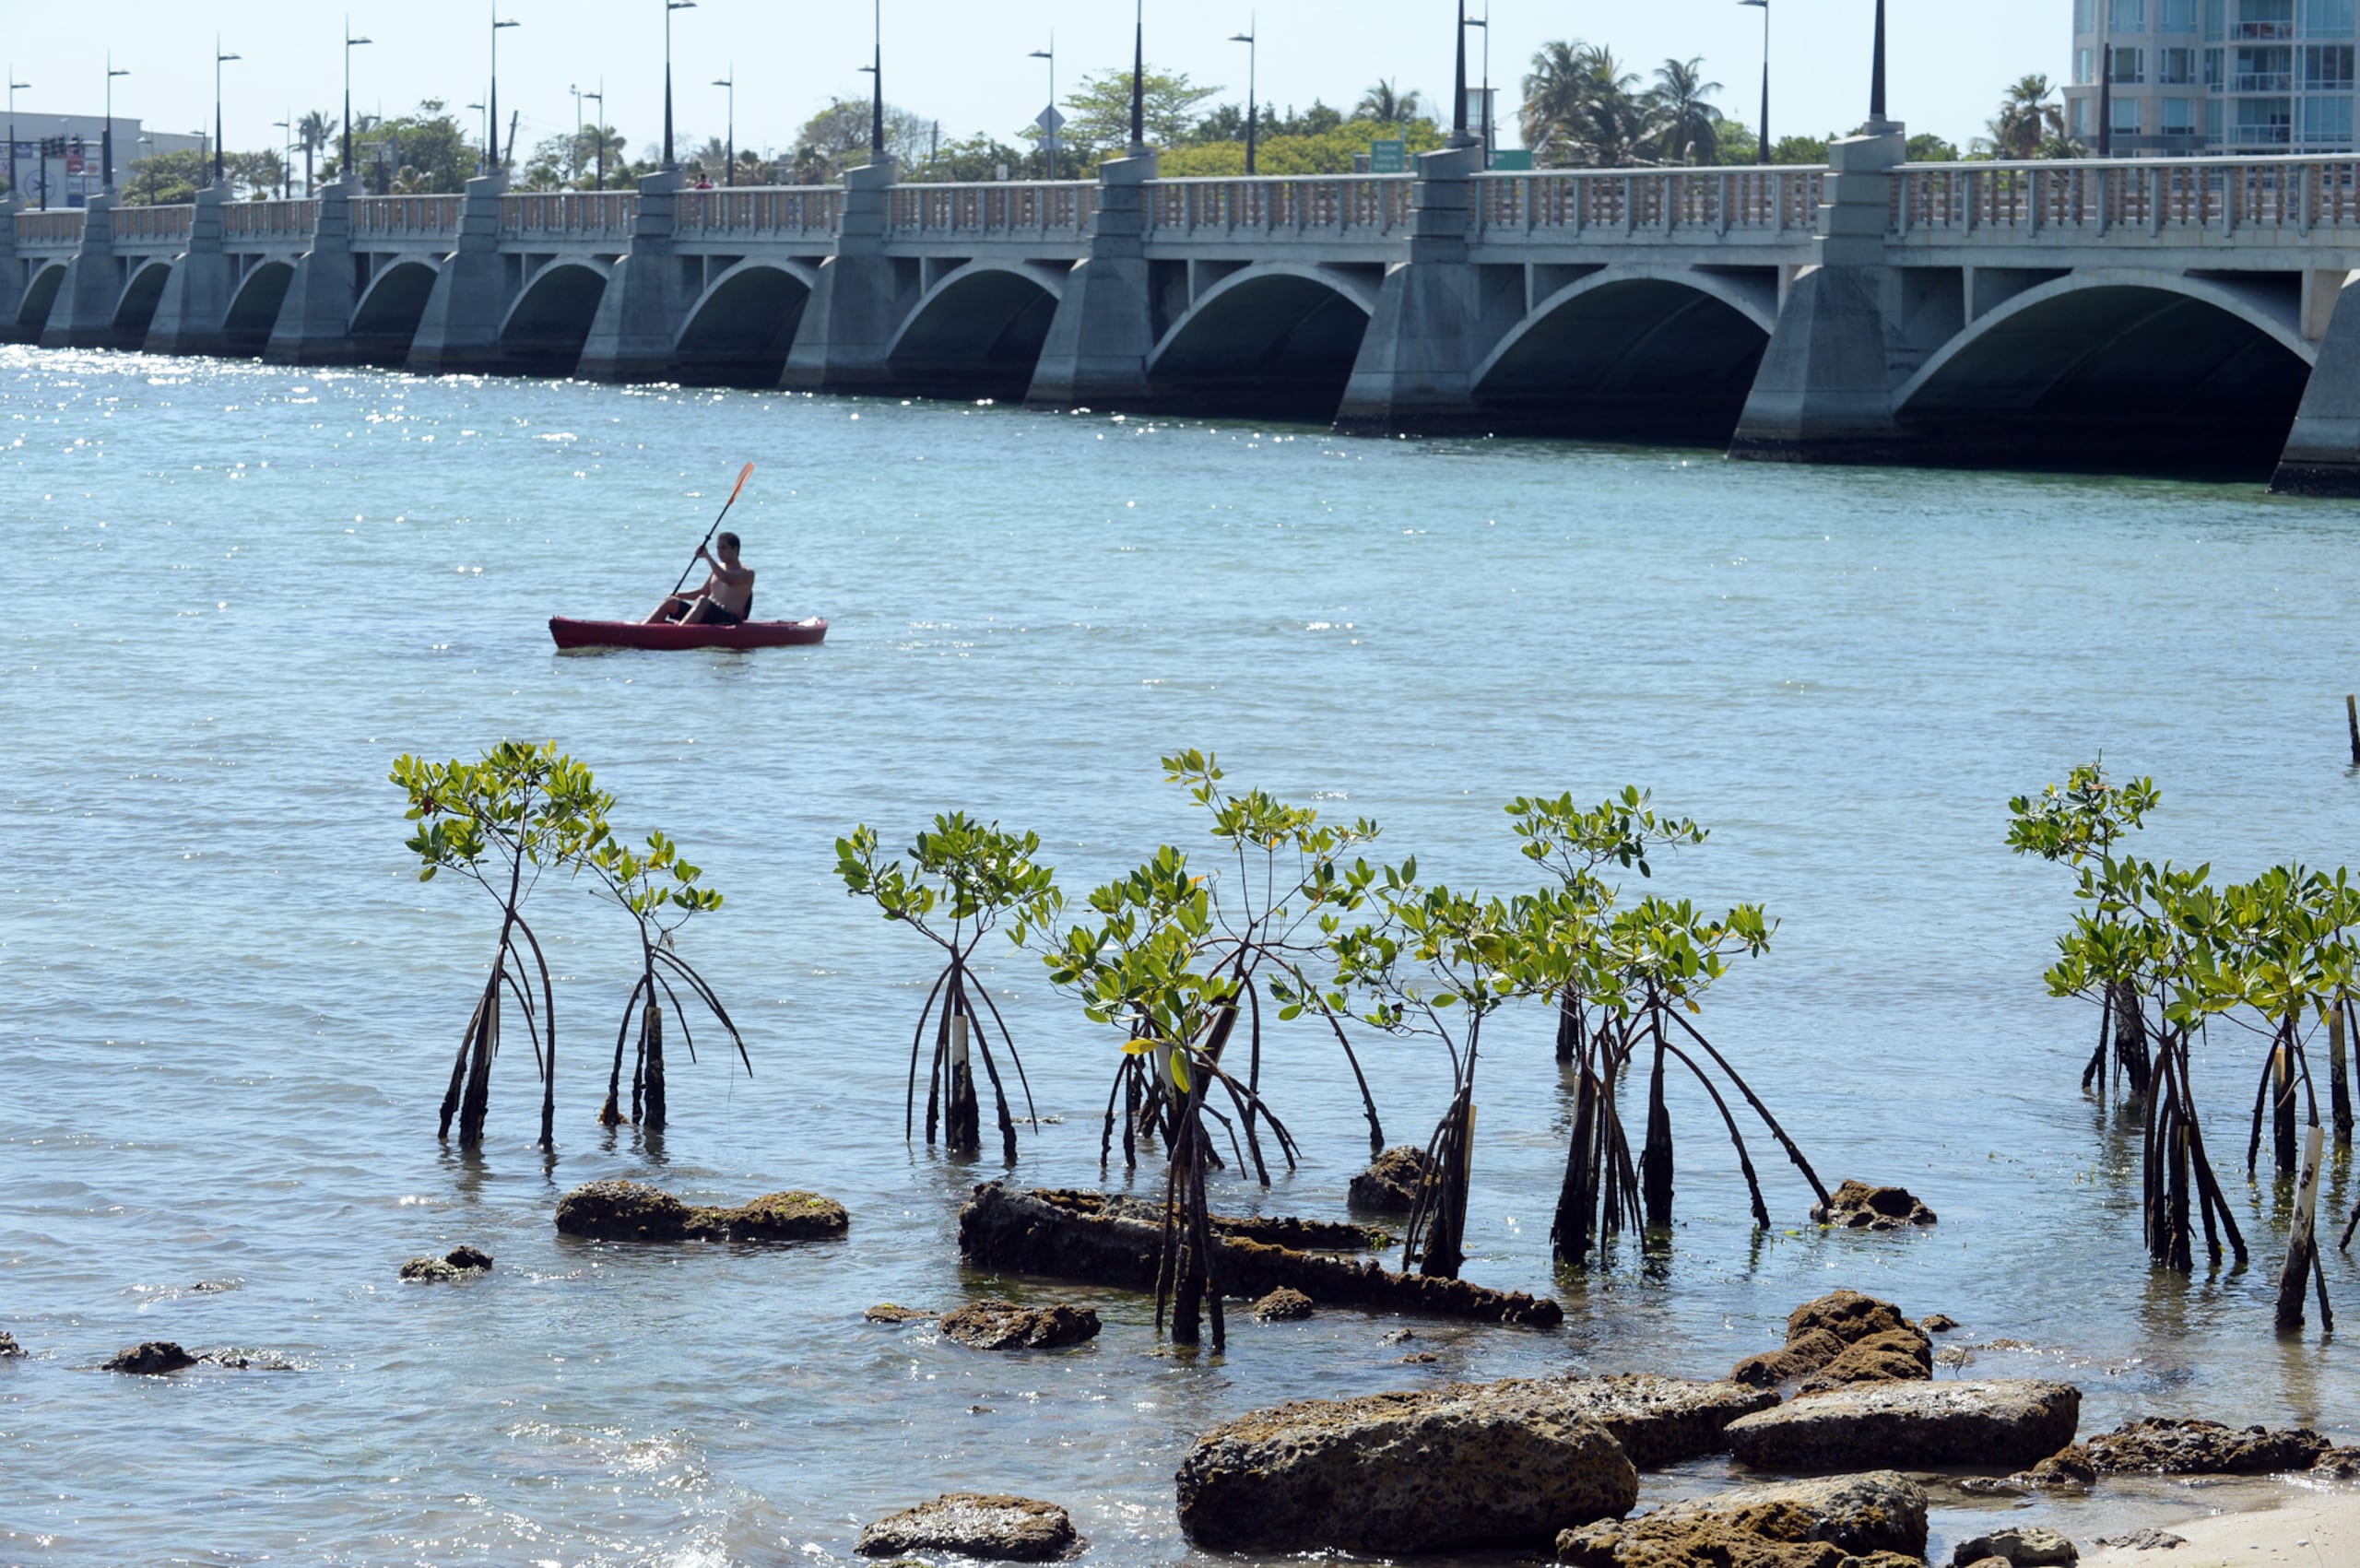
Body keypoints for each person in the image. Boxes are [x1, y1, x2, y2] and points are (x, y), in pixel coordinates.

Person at [647, 531, 755, 625]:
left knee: (703, 600)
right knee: (671, 601)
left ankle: (680, 632)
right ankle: (644, 629)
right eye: (718, 548)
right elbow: (703, 591)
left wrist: (707, 556)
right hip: (707, 614)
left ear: (735, 549)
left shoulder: (747, 573)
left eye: (724, 548)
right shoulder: (718, 569)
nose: (720, 552)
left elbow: (728, 579)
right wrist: (678, 595)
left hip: (729, 619)